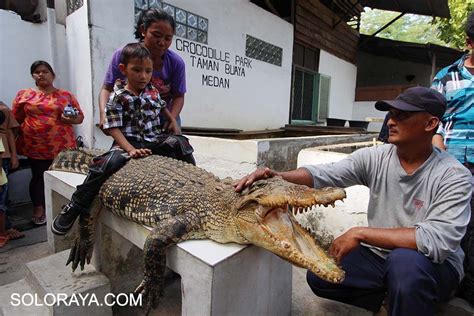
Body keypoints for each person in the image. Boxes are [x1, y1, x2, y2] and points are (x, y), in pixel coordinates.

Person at [234, 87, 472, 315]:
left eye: (403, 115)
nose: (390, 121)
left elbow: (435, 241)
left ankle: (410, 297)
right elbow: (324, 174)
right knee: (321, 274)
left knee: (405, 265)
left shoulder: (454, 176)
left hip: (434, 266)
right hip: (382, 257)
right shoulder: (377, 158)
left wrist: (360, 233)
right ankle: (391, 302)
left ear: (430, 124)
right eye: (391, 114)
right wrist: (278, 176)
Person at [52, 43, 195, 236]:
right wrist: (129, 149)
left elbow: (162, 106)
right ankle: (75, 205)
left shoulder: (152, 90)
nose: (143, 76)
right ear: (123, 69)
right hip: (127, 141)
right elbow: (113, 128)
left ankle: (195, 183)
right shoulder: (118, 97)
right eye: (136, 70)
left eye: (148, 71)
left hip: (153, 140)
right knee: (108, 163)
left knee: (181, 142)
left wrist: (172, 121)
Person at [431, 11, 474, 305]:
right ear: (470, 42)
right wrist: (440, 158)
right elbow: (432, 124)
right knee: (454, 224)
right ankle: (452, 282)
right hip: (453, 163)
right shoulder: (446, 77)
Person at [12, 60, 84, 225]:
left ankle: (65, 208)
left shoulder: (65, 95)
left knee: (64, 176)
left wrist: (71, 118)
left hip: (62, 146)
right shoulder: (24, 95)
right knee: (38, 177)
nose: (41, 74)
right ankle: (39, 209)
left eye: (45, 71)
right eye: (37, 72)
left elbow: (80, 117)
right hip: (35, 144)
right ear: (33, 76)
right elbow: (16, 120)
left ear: (53, 75)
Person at [99, 8, 186, 132]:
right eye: (156, 35)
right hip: (132, 119)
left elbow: (179, 96)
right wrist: (104, 114)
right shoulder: (123, 55)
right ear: (143, 30)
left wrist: (171, 119)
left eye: (168, 38)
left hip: (165, 119)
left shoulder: (176, 63)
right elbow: (107, 88)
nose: (162, 42)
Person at [0, 101, 24, 241]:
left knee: (3, 195)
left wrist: (14, 156)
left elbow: (11, 132)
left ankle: (6, 228)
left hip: (3, 156)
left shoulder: (3, 109)